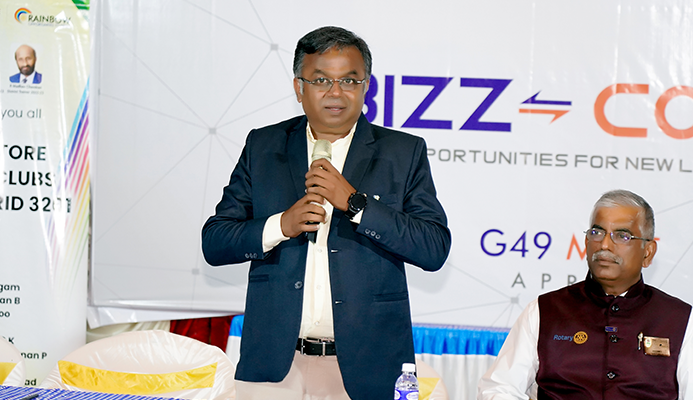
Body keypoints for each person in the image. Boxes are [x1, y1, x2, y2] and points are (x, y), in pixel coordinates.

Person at [202, 26, 451, 400]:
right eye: (320, 80)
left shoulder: (403, 152)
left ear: (366, 87)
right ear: (299, 87)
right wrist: (280, 225)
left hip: (368, 365)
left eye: (349, 80)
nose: (336, 92)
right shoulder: (263, 145)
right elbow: (215, 242)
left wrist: (355, 204)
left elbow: (433, 249)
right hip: (274, 364)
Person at [477, 189, 692, 400]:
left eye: (622, 236)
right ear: (586, 242)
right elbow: (498, 389)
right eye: (597, 233)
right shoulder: (545, 311)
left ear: (648, 252)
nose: (604, 245)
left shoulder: (680, 320)